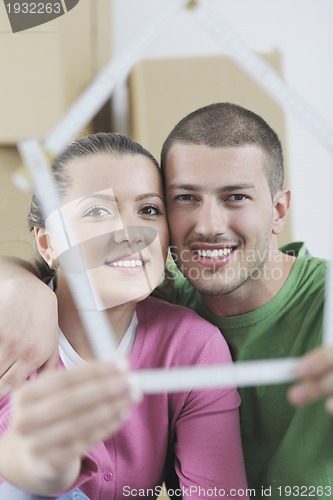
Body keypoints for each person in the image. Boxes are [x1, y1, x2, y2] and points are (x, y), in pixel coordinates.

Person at [1, 103, 332, 497]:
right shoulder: (17, 324)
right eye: (186, 198)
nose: (131, 232)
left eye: (147, 209)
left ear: (278, 210)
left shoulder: (190, 340)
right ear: (48, 241)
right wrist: (18, 284)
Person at [0, 132, 248, 499]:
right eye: (97, 211)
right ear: (48, 243)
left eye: (149, 210)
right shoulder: (10, 335)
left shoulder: (193, 348)